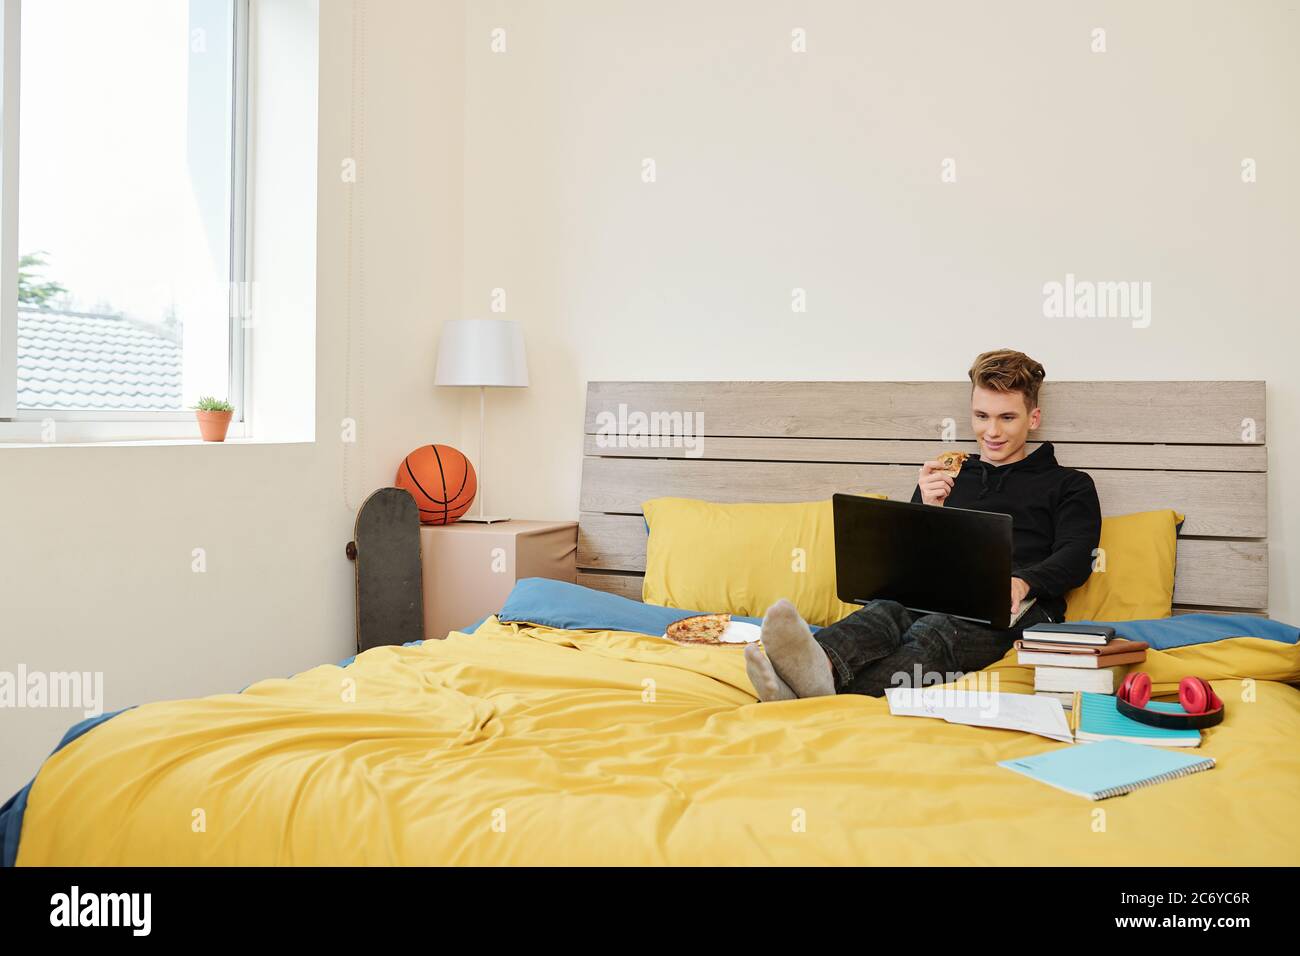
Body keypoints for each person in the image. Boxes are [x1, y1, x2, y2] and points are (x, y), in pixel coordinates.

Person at [744, 349, 1102, 701]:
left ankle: (812, 693)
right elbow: (908, 562)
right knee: (883, 611)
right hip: (937, 594)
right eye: (981, 416)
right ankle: (817, 664)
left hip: (1014, 612)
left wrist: (1021, 583)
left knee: (935, 630)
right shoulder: (948, 472)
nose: (991, 431)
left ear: (1033, 418)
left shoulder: (1069, 484)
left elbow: (1076, 555)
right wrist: (929, 506)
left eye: (1007, 418)